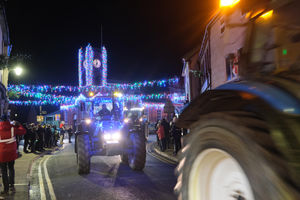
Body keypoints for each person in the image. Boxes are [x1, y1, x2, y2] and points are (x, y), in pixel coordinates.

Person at [0, 115, 26, 195]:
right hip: (11, 152)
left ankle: (6, 189)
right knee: (11, 168)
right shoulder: (13, 128)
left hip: (2, 152)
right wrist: (18, 124)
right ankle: (12, 185)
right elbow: (23, 131)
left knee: (3, 171)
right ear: (8, 120)